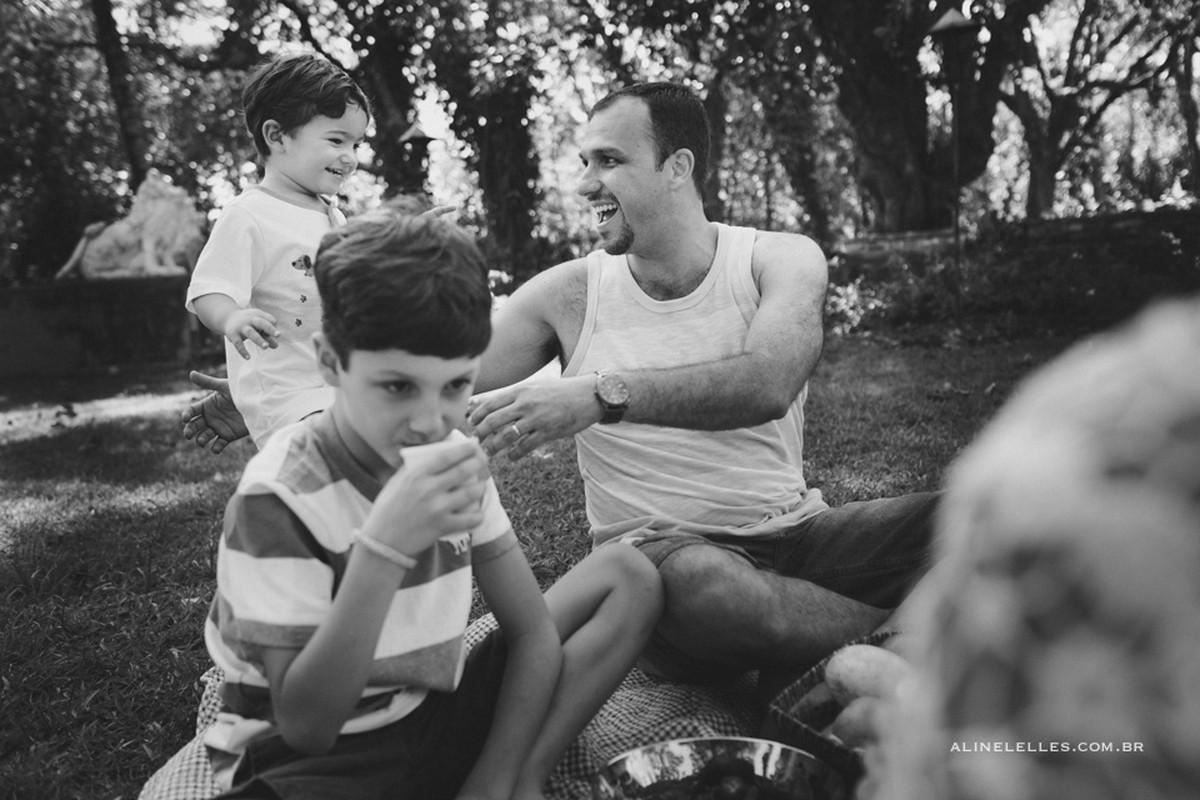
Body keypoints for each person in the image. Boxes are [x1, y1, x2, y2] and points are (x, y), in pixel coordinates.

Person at [184, 81, 937, 689]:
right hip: (670, 560)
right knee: (711, 591)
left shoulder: (781, 258)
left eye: (607, 161)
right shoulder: (566, 293)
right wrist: (285, 376)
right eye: (583, 162)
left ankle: (892, 636)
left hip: (798, 531)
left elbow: (768, 383)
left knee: (986, 510)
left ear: (677, 166)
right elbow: (421, 364)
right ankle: (927, 638)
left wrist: (597, 395)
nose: (584, 184)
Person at [199, 208, 661, 800]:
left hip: (423, 720)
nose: (429, 421)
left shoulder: (449, 455)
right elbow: (307, 726)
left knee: (628, 576)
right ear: (330, 363)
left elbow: (532, 633)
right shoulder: (279, 497)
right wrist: (383, 549)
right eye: (397, 387)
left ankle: (520, 777)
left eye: (455, 387)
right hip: (301, 765)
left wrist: (498, 777)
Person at [186, 52, 369, 448]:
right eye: (337, 140)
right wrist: (232, 317)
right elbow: (208, 290)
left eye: (356, 144)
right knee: (340, 459)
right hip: (287, 397)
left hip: (335, 384)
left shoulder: (332, 216)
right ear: (277, 136)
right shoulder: (249, 215)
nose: (350, 158)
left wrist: (409, 241)